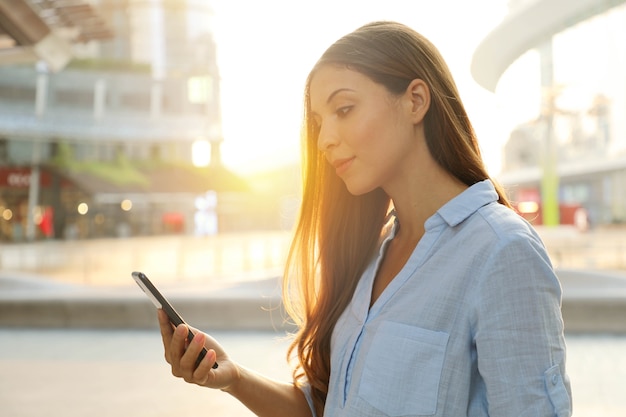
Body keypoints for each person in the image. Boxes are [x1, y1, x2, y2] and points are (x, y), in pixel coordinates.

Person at [158, 21, 572, 417]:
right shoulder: (371, 253)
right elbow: (332, 407)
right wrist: (231, 377)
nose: (324, 140)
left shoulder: (502, 252)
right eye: (319, 123)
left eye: (344, 108)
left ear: (415, 100)